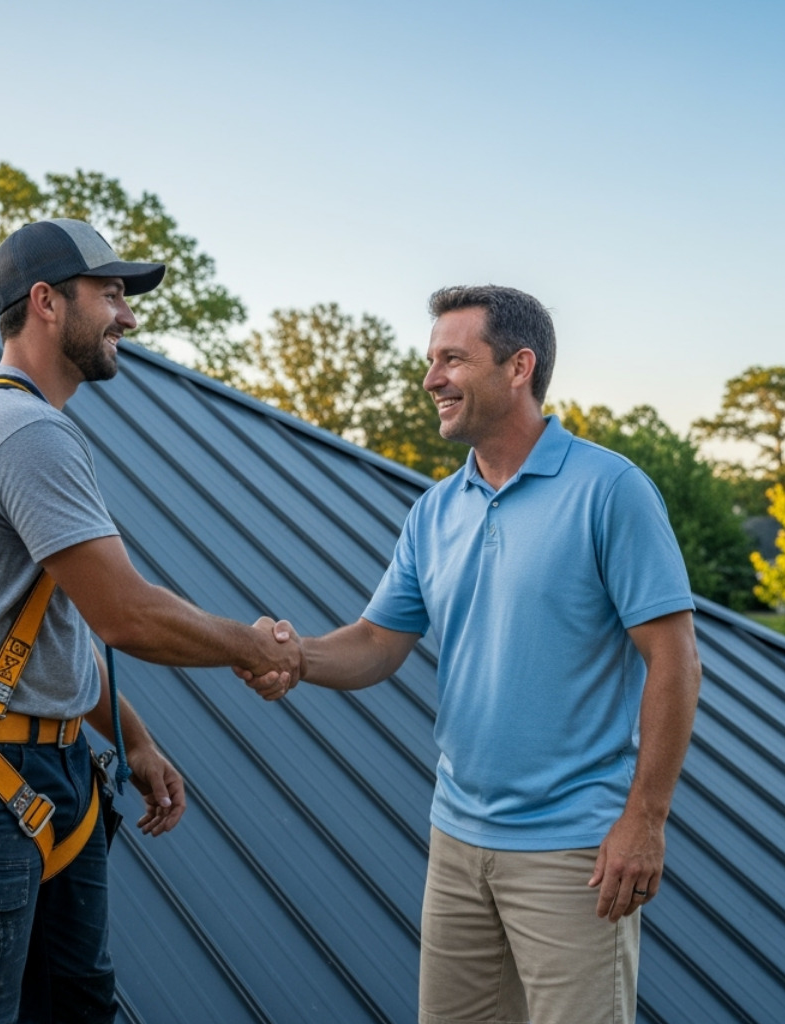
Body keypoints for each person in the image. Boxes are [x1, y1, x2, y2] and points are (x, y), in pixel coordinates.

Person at [244, 285, 701, 1024]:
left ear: (519, 367)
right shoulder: (435, 510)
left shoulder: (610, 490)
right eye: (432, 360)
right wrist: (295, 658)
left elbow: (675, 661)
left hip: (573, 854)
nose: (431, 379)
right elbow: (373, 644)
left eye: (453, 359)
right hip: (456, 840)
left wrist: (644, 819)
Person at [0, 218, 304, 1024]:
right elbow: (126, 615)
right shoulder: (24, 431)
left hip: (39, 770)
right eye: (111, 294)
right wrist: (253, 646)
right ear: (46, 302)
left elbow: (45, 634)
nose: (130, 316)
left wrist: (136, 742)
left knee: (76, 1007)